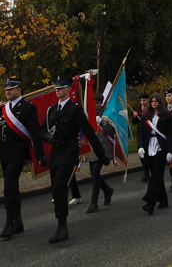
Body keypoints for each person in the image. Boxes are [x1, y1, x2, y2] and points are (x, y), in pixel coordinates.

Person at [43, 77, 109, 243]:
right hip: (56, 152)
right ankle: (60, 223)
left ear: (68, 89)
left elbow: (88, 130)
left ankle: (62, 226)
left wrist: (101, 154)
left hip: (68, 151)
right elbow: (42, 129)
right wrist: (46, 137)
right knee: (55, 188)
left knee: (60, 187)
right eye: (56, 88)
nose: (57, 90)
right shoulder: (51, 110)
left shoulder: (74, 109)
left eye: (61, 88)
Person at [0, 77, 47, 240]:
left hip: (18, 151)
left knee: (9, 186)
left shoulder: (27, 107)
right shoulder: (4, 107)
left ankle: (9, 222)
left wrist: (39, 154)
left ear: (19, 89)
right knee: (11, 187)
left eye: (11, 88)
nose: (8, 91)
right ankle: (18, 221)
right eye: (6, 89)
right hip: (4, 150)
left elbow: (34, 132)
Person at [137, 93, 172, 214]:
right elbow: (140, 132)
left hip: (160, 147)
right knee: (156, 175)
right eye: (152, 101)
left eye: (156, 101)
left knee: (156, 175)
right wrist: (140, 147)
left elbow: (171, 134)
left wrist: (170, 151)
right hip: (149, 147)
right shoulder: (146, 116)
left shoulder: (166, 116)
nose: (154, 103)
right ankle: (163, 200)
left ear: (160, 102)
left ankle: (150, 203)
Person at [87, 93, 115, 213]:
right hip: (93, 147)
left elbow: (112, 131)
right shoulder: (89, 114)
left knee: (96, 172)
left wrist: (101, 122)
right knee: (93, 174)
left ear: (101, 103)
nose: (94, 105)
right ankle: (107, 190)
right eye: (93, 102)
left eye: (97, 102)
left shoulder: (106, 114)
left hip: (103, 147)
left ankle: (94, 202)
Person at [132, 94, 151, 182]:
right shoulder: (139, 110)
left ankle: (150, 171)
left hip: (150, 134)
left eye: (144, 100)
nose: (143, 102)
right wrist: (135, 116)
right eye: (141, 101)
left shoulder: (151, 110)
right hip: (141, 134)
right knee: (142, 154)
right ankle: (145, 172)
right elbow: (134, 122)